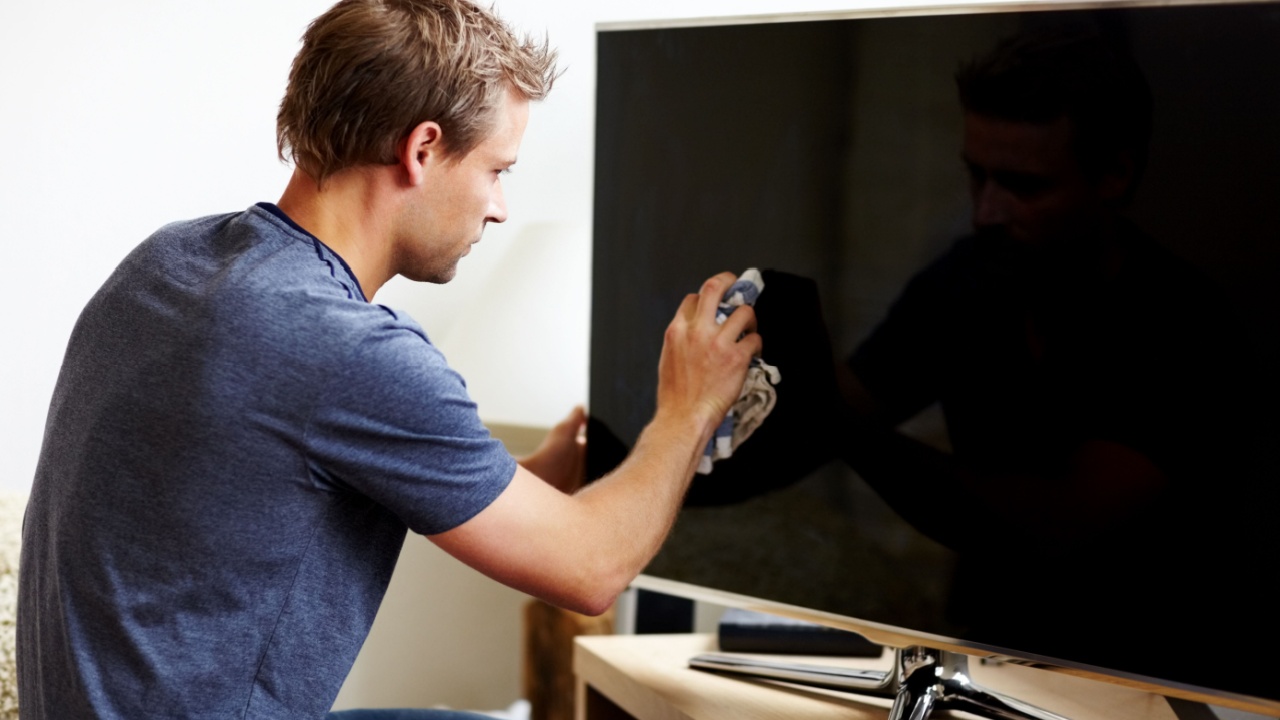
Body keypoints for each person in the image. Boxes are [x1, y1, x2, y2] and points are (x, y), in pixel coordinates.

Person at [15, 1, 761, 718]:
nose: (500, 207)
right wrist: (691, 406)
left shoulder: (167, 262)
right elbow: (593, 570)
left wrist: (551, 466)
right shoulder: (345, 349)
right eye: (498, 170)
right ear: (423, 148)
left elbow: (340, 485)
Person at [835, 25, 1272, 688]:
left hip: (1153, 690)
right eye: (975, 175)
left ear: (1115, 175)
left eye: (1023, 185)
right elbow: (848, 398)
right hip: (983, 675)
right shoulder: (968, 280)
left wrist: (835, 424)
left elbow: (1055, 523)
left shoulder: (1184, 326)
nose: (985, 211)